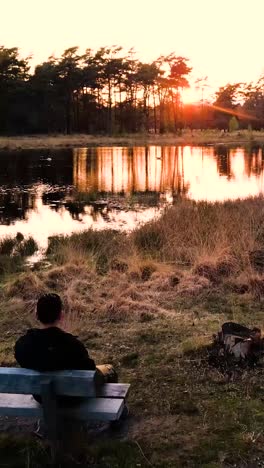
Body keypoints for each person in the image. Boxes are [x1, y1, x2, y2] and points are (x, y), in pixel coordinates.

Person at [14, 293, 117, 405]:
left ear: (37, 315)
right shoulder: (71, 344)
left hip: (42, 398)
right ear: (60, 316)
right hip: (71, 398)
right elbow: (90, 370)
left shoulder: (23, 344)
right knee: (109, 370)